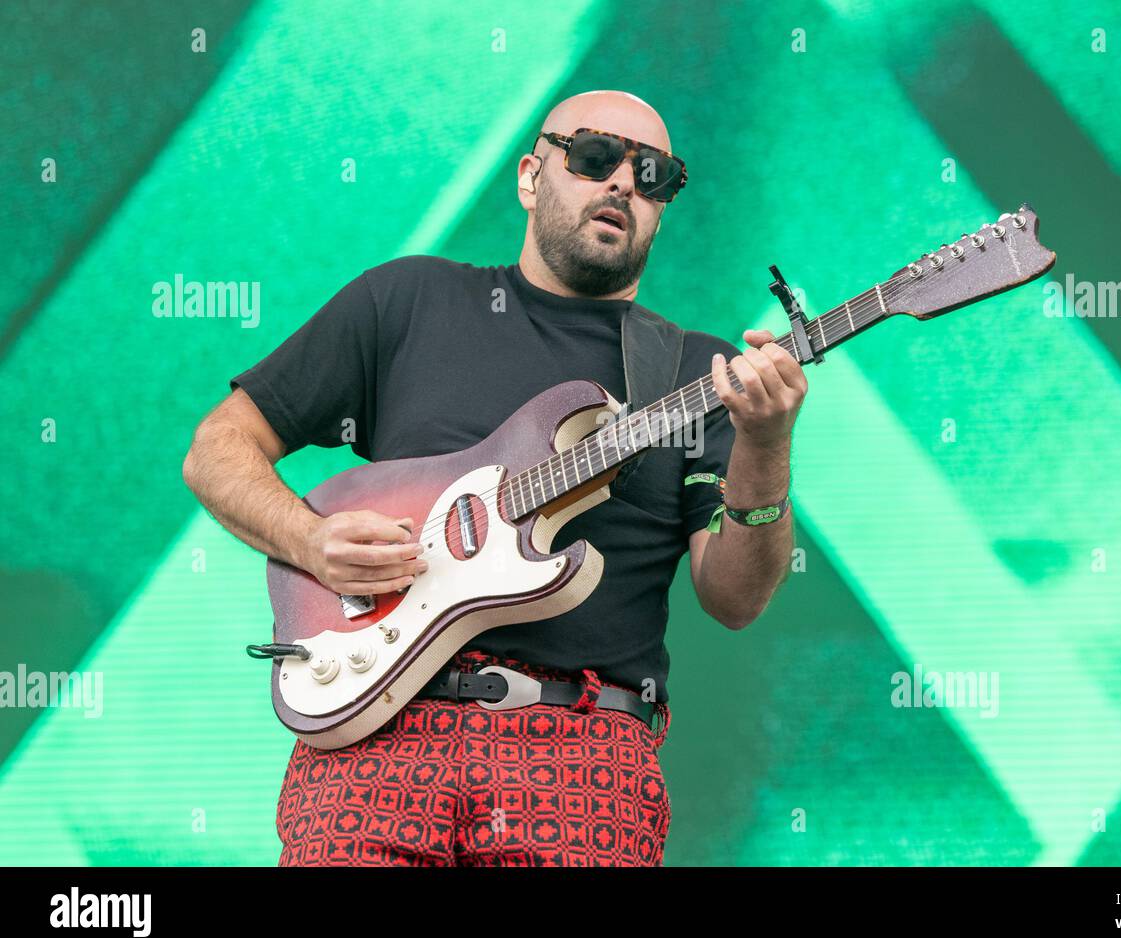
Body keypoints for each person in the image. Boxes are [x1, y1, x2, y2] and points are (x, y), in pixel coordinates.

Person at [182, 89, 806, 866]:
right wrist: (311, 541)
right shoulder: (408, 300)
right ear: (529, 175)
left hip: (584, 757)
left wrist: (766, 443)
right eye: (593, 156)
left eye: (653, 174)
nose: (622, 184)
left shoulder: (696, 374)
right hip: (380, 732)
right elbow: (218, 445)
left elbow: (736, 597)